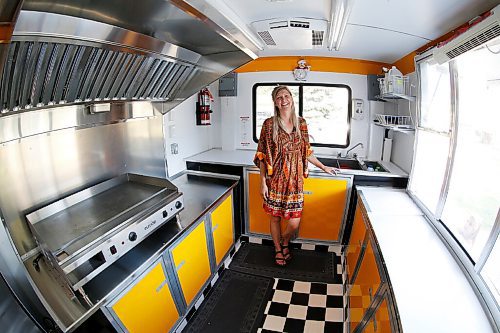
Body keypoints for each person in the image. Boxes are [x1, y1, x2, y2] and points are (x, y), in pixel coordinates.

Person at [253, 85, 337, 266]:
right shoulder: (269, 125)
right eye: (278, 97)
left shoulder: (302, 123)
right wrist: (263, 183)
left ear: (292, 98)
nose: (283, 100)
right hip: (275, 180)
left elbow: (306, 151)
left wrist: (323, 167)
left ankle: (284, 242)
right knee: (275, 218)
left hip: (295, 182)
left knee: (294, 223)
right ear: (275, 103)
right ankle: (278, 249)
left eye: (286, 96)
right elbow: (262, 155)